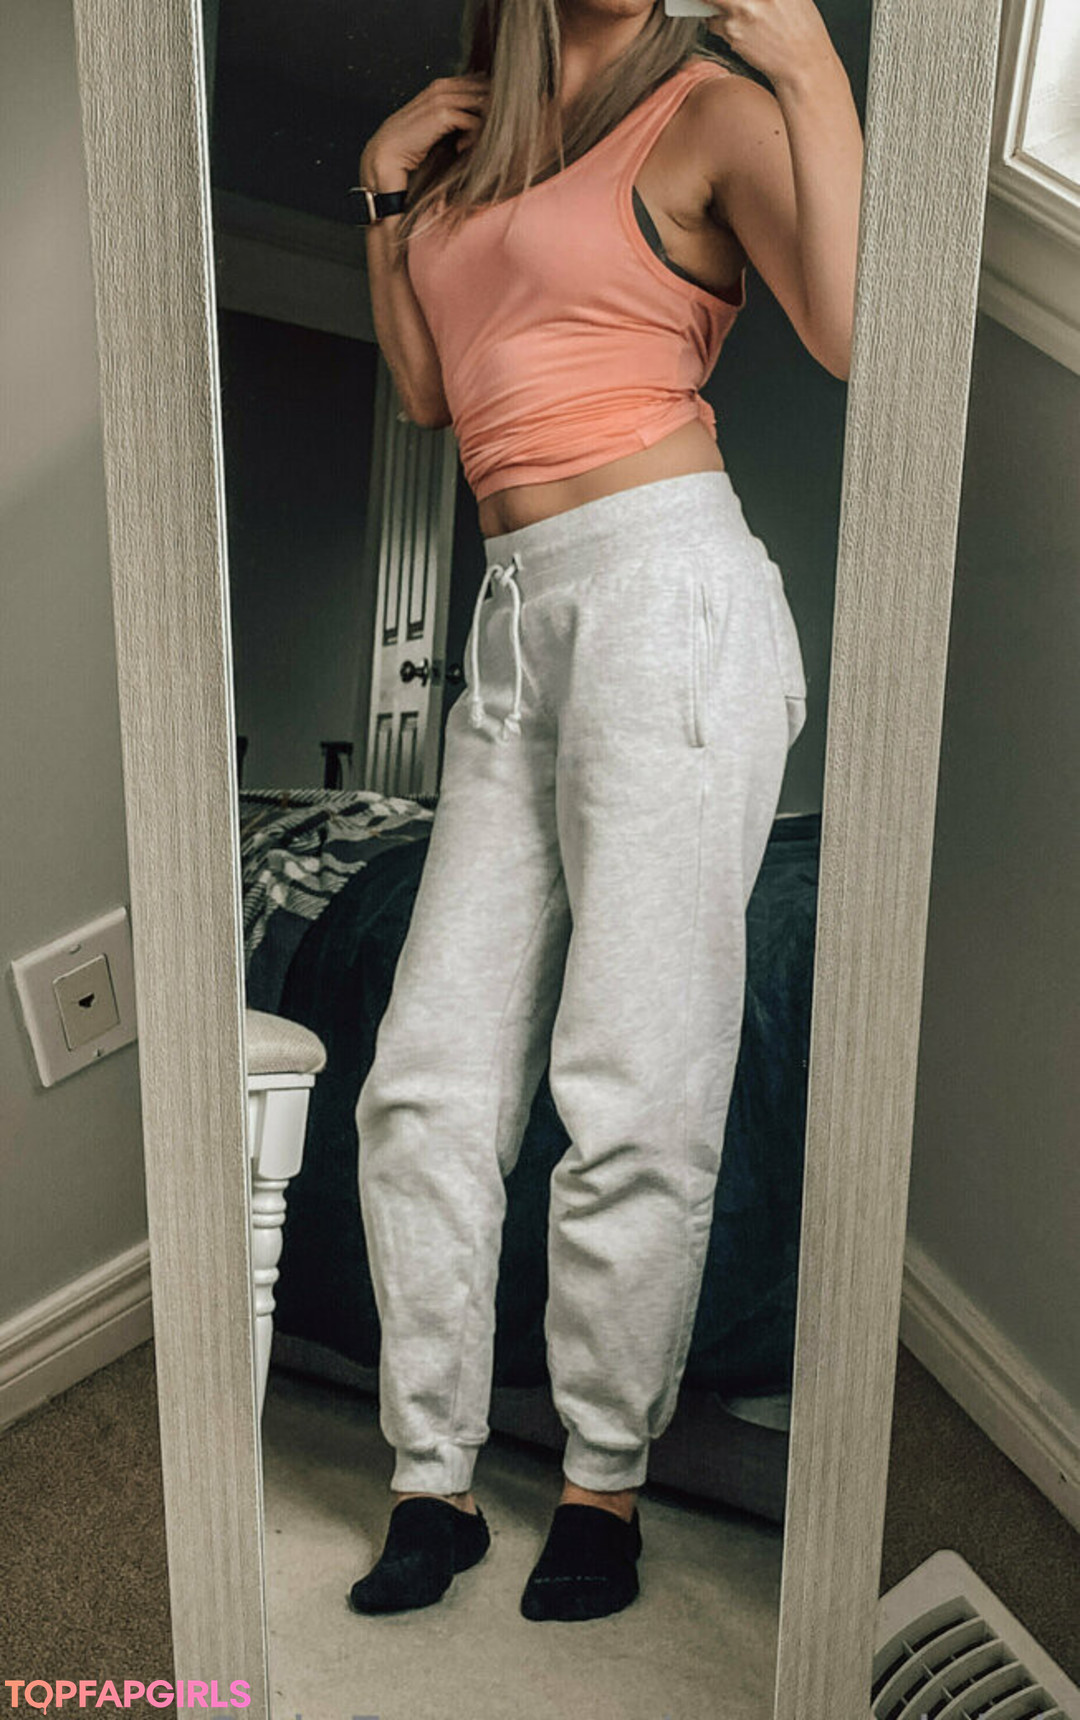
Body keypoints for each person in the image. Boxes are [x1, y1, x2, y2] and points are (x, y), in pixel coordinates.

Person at [347, 0, 863, 1623]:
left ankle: (601, 1482)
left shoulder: (708, 109)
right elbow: (430, 397)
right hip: (513, 620)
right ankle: (431, 1477)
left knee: (635, 1071)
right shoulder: (467, 149)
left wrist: (811, 64)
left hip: (665, 598)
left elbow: (858, 332)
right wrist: (382, 195)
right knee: (423, 1082)